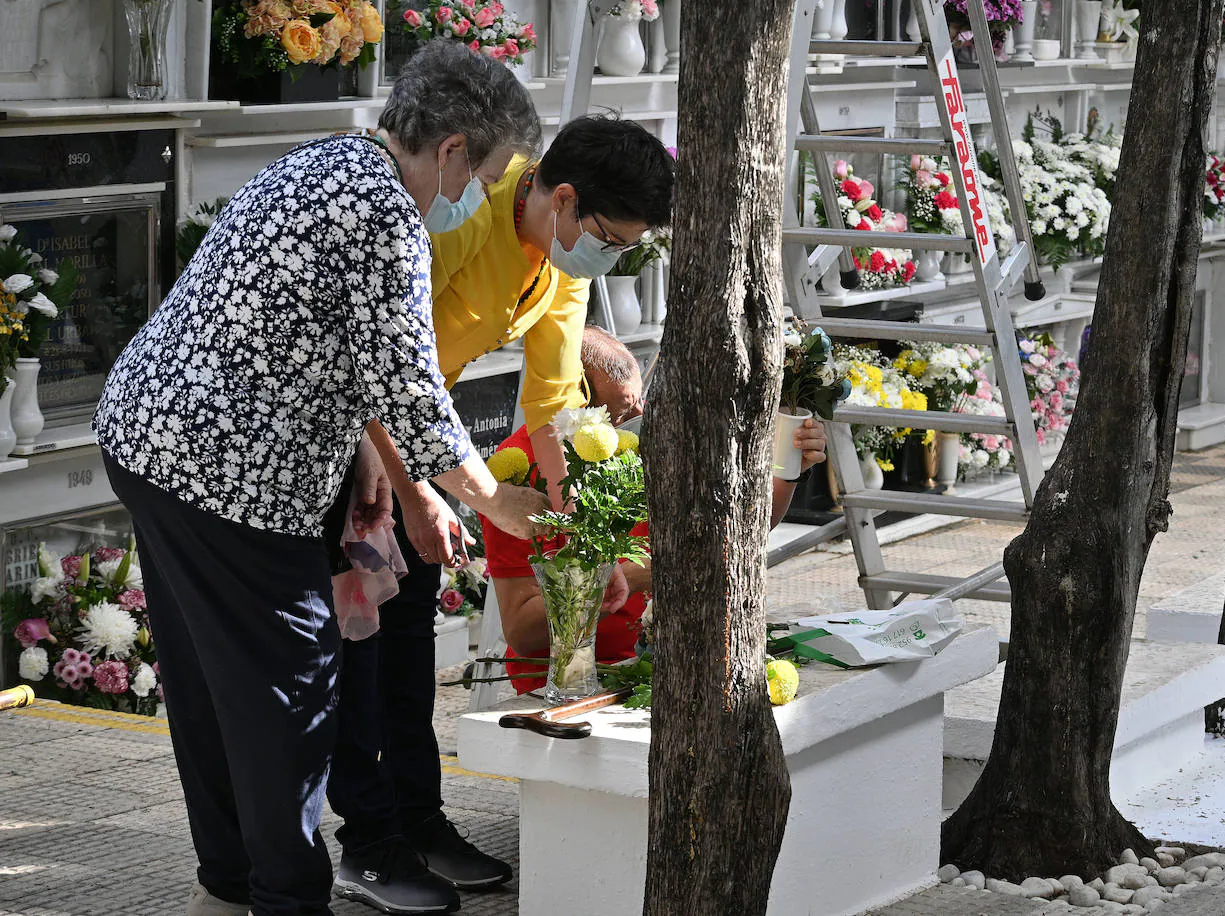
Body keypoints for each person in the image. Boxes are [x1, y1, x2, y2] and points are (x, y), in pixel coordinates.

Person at [92, 43, 548, 916]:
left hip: (153, 437)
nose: (482, 198)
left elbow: (333, 347)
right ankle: (284, 895)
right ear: (452, 148)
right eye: (487, 177)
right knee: (290, 691)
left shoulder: (324, 157)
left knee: (210, 683)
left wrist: (363, 456)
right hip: (229, 473)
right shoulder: (386, 212)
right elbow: (409, 383)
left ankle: (230, 886)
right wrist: (492, 499)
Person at [325, 117, 676, 913]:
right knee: (358, 641)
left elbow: (549, 401)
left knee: (412, 632)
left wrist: (567, 522)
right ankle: (367, 842)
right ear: (562, 198)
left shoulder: (559, 258)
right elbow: (380, 352)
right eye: (611, 240)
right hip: (347, 431)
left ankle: (419, 819)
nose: (609, 258)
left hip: (415, 435)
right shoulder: (466, 202)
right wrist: (401, 480)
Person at [484, 327, 829, 687]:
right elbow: (522, 633)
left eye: (639, 401)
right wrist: (632, 577)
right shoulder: (520, 470)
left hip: (662, 661)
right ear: (573, 408)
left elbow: (739, 529)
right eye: (621, 414)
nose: (639, 417)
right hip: (569, 681)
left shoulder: (644, 436)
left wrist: (788, 468)